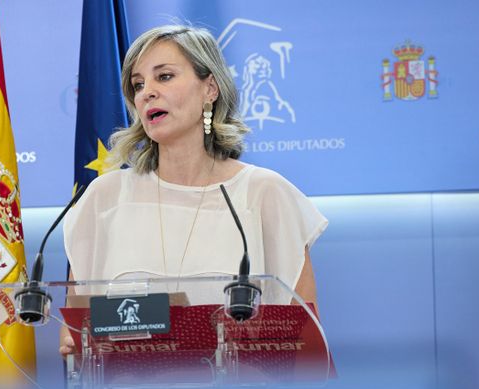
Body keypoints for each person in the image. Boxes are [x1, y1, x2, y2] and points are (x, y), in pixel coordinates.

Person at [60, 25, 327, 356]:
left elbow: (304, 340)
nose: (147, 92)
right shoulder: (105, 198)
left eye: (165, 77)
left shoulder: (264, 193)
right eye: (138, 85)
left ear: (210, 88)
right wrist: (76, 344)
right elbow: (75, 335)